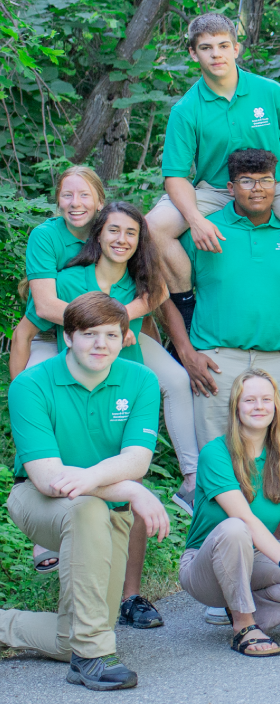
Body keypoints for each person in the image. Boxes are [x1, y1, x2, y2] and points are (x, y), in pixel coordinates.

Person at [15, 202, 192, 629]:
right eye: (113, 230)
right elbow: (34, 325)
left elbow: (157, 302)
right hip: (78, 383)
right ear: (98, 234)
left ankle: (129, 596)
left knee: (131, 483)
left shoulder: (141, 280)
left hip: (122, 381)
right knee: (90, 487)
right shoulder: (71, 279)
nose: (122, 239)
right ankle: (80, 611)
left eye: (131, 232)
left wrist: (128, 318)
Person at [146, 13, 280, 369]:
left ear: (237, 48)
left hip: (273, 187)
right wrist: (195, 219)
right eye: (206, 48)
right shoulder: (186, 109)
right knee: (152, 228)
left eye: (223, 45)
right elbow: (175, 175)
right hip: (215, 190)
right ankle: (187, 315)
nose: (216, 54)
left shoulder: (269, 92)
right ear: (193, 53)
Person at [3, 293, 168, 690]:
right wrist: (131, 490)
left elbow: (137, 459)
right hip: (39, 501)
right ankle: (92, 657)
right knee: (87, 508)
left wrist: (107, 481)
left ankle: (65, 642)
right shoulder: (31, 384)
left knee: (72, 635)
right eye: (90, 334)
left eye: (111, 335)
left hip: (108, 505)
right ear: (68, 336)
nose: (100, 344)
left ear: (124, 338)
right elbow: (48, 478)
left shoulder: (141, 380)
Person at [158, 147, 280, 452]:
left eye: (266, 180)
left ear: (277, 185)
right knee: (217, 459)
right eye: (246, 181)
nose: (257, 189)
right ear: (231, 188)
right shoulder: (203, 231)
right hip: (217, 362)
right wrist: (186, 352)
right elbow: (161, 294)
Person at [178, 369, 280, 656]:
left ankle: (242, 609)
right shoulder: (216, 453)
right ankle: (243, 626)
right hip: (204, 566)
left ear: (276, 406)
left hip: (255, 561)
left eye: (266, 400)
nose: (259, 406)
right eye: (249, 400)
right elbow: (244, 518)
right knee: (236, 528)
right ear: (236, 407)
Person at [11, 166, 104, 374]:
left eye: (84, 195)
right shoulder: (45, 236)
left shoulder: (112, 234)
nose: (75, 203)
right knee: (39, 384)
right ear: (58, 201)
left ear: (100, 202)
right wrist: (103, 326)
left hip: (102, 335)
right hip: (49, 334)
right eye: (67, 195)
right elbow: (45, 307)